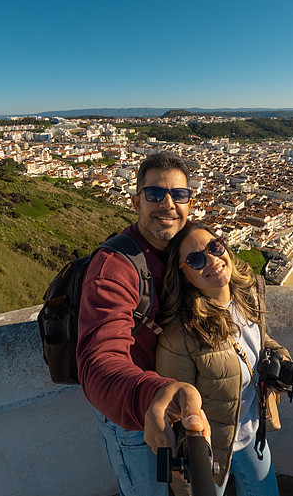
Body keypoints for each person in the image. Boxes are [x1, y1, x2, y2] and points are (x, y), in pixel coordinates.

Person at [76, 151, 210, 496]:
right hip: (132, 412)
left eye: (178, 195)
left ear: (189, 204)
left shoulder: (186, 249)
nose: (167, 203)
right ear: (136, 201)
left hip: (177, 401)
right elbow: (97, 363)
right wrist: (152, 394)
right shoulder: (114, 267)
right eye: (155, 194)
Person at [156, 221, 290, 496]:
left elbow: (258, 341)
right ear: (183, 276)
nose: (213, 260)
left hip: (251, 431)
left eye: (215, 247)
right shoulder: (180, 335)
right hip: (209, 449)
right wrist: (170, 473)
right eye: (196, 259)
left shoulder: (247, 295)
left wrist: (281, 359)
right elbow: (170, 412)